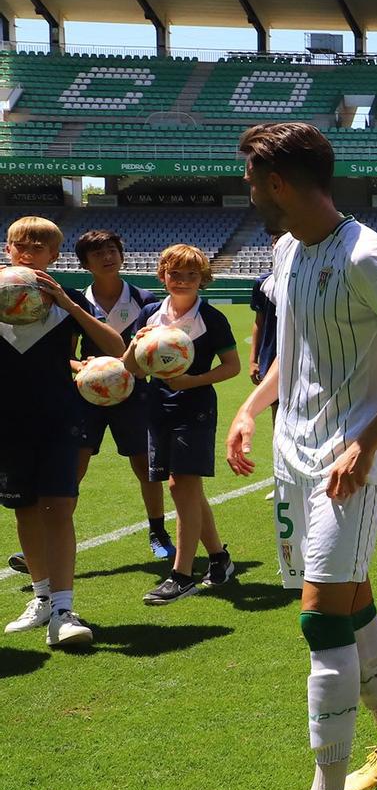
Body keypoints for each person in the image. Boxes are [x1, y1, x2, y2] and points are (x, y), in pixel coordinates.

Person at [225, 122, 377, 790]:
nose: (248, 193)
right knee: (350, 602)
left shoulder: (370, 257)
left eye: (253, 181)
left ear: (280, 181)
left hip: (350, 461)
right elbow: (297, 355)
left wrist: (367, 440)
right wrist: (251, 409)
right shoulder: (288, 248)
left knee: (321, 613)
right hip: (297, 455)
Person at [2, 216, 128, 647]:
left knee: (59, 507)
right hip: (9, 423)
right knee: (24, 509)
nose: (30, 251)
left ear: (54, 256)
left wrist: (69, 306)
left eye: (41, 246)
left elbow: (117, 349)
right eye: (23, 245)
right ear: (9, 250)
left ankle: (62, 610)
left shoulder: (67, 300)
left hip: (58, 418)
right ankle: (40, 598)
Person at [134, 244, 240, 604]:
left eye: (190, 275)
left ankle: (181, 575)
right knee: (186, 489)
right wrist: (135, 348)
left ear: (202, 279)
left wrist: (191, 381)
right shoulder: (149, 314)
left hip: (194, 407)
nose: (181, 280)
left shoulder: (211, 318)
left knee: (182, 486)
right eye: (174, 273)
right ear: (163, 275)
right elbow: (132, 368)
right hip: (158, 406)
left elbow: (232, 367)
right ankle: (219, 559)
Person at [72, 230, 173, 561]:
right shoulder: (76, 302)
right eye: (98, 252)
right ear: (85, 262)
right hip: (88, 395)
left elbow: (155, 350)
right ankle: (53, 536)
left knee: (145, 466)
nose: (107, 256)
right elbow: (65, 354)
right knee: (74, 465)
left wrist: (137, 367)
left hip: (135, 394)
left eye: (112, 250)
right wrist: (85, 367)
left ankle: (158, 531)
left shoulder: (144, 299)